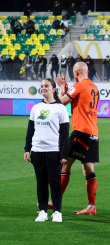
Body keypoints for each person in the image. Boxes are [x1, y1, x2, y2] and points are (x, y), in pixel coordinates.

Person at [56, 62, 101, 215]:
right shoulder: (94, 87)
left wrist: (61, 88)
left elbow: (61, 103)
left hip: (81, 132)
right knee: (88, 170)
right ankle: (91, 207)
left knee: (64, 164)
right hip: (93, 133)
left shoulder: (79, 85)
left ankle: (56, 201)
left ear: (76, 73)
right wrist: (67, 91)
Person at [24, 78, 69, 222]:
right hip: (37, 150)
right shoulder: (36, 108)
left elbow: (64, 134)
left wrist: (63, 153)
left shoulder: (61, 108)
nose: (43, 88)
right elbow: (30, 130)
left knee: (55, 183)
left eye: (46, 86)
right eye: (42, 86)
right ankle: (42, 211)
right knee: (41, 182)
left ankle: (57, 212)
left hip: (54, 151)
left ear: (53, 89)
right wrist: (27, 148)